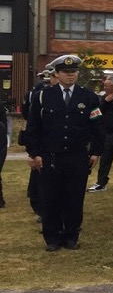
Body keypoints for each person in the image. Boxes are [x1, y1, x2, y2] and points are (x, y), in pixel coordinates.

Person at [22, 55, 104, 250]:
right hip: (50, 155)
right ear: (57, 74)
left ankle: (71, 236)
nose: (70, 76)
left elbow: (97, 127)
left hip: (77, 156)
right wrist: (34, 153)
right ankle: (52, 237)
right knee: (50, 197)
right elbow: (33, 128)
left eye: (73, 72)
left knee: (74, 197)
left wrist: (95, 152)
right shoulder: (44, 96)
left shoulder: (88, 96)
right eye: (66, 73)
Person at [21, 69, 53, 219]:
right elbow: (31, 121)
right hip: (43, 144)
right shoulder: (39, 94)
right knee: (40, 181)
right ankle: (43, 211)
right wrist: (32, 152)